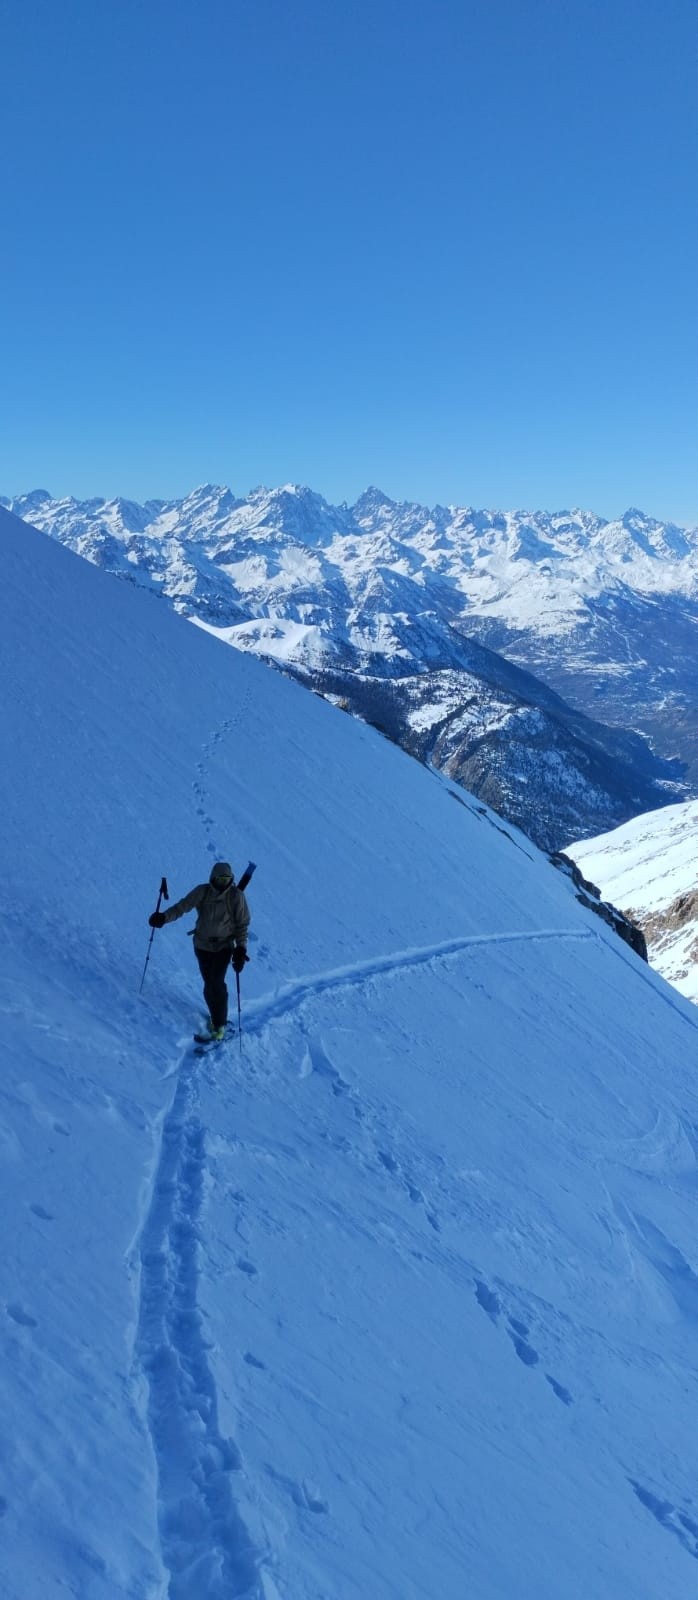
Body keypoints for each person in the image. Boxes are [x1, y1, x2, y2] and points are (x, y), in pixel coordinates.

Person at [149, 861, 250, 1039]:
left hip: (224, 947)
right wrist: (163, 918)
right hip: (202, 946)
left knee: (216, 983)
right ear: (212, 878)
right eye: (219, 879)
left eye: (226, 879)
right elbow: (182, 907)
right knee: (208, 985)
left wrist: (241, 949)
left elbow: (242, 925)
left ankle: (219, 1026)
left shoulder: (236, 896)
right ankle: (216, 1017)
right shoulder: (202, 891)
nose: (223, 882)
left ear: (231, 879)